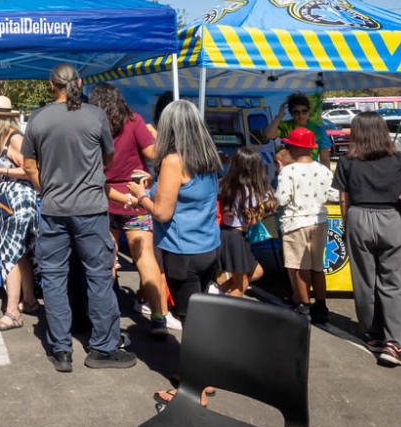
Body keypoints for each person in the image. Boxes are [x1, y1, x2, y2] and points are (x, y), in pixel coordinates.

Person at [22, 64, 136, 372]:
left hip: (54, 209)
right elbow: (108, 157)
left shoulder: (39, 117)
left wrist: (47, 189)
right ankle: (103, 348)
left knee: (55, 279)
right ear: (80, 83)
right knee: (99, 277)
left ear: (51, 85)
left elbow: (29, 165)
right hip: (91, 208)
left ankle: (61, 350)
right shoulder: (95, 115)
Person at [125, 99, 222, 406]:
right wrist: (156, 186)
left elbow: (163, 213)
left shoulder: (173, 161)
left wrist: (142, 196)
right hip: (208, 247)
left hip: (184, 252)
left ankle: (193, 391)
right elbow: (189, 195)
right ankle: (201, 377)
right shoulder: (208, 157)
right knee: (199, 317)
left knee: (188, 320)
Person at [333, 111, 401, 367]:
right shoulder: (400, 160)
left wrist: (348, 221)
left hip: (358, 218)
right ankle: (394, 344)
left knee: (365, 280)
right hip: (391, 219)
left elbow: (344, 199)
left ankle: (373, 335)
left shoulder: (346, 161)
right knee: (396, 281)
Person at [90, 83, 177, 337]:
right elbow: (153, 155)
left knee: (107, 259)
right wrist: (154, 134)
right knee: (145, 258)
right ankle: (159, 316)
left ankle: (108, 316)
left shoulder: (94, 126)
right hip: (136, 198)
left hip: (104, 198)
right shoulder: (134, 120)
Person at [0, 95, 40, 331]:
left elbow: (31, 170)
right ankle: (30, 299)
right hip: (14, 203)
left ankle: (13, 312)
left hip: (17, 204)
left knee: (10, 256)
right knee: (21, 254)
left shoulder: (15, 139)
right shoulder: (3, 139)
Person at [275, 127, 333, 324]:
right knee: (317, 267)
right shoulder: (323, 170)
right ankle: (322, 306)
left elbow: (282, 199)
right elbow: (330, 195)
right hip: (319, 221)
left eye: (289, 145)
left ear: (295, 147)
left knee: (299, 267)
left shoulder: (288, 171)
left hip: (296, 222)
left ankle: (304, 306)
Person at [216, 147, 273, 298]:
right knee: (241, 286)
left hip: (225, 233)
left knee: (256, 271)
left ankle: (218, 292)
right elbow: (252, 220)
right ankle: (221, 314)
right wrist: (263, 210)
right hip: (237, 237)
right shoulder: (249, 190)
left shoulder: (223, 184)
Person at [264, 92, 332, 168]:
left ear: (309, 110)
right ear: (290, 113)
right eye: (296, 112)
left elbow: (325, 158)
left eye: (304, 111)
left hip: (310, 171)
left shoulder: (318, 129)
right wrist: (279, 116)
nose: (301, 115)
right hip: (288, 171)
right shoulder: (285, 126)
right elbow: (268, 135)